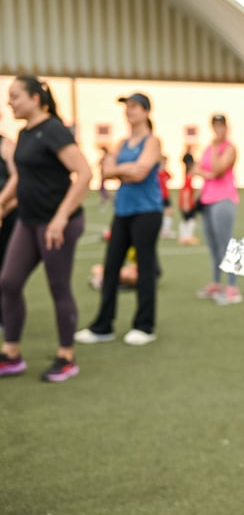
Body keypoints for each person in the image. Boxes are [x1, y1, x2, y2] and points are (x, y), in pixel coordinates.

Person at [0, 76, 91, 381]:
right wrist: (3, 203)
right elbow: (21, 179)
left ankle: (67, 356)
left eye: (15, 96)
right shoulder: (24, 133)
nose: (10, 102)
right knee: (9, 282)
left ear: (36, 99)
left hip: (57, 225)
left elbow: (83, 173)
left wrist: (61, 217)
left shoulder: (53, 130)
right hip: (29, 220)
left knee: (58, 287)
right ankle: (11, 353)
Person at [75, 92, 163, 347]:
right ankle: (103, 325)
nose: (129, 111)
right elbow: (106, 170)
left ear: (146, 111)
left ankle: (144, 326)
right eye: (127, 107)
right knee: (111, 266)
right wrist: (124, 169)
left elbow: (141, 172)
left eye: (134, 107)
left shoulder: (152, 141)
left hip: (147, 211)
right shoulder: (122, 142)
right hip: (123, 211)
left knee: (145, 268)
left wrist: (118, 170)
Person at [194, 113, 241, 305]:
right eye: (215, 125)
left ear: (226, 127)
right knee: (213, 246)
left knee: (227, 244)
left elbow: (218, 169)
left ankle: (233, 287)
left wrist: (214, 151)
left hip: (224, 199)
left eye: (221, 126)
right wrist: (208, 173)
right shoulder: (208, 147)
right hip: (207, 200)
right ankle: (216, 282)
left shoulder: (229, 148)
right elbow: (197, 169)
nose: (218, 129)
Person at [0, 117, 20, 332]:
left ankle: (6, 316)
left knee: (6, 269)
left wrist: (2, 203)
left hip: (8, 213)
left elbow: (17, 177)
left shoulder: (6, 145)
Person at [158, 154, 175, 238]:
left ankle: (166, 230)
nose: (164, 164)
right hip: (158, 197)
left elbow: (170, 177)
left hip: (165, 196)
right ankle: (161, 230)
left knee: (169, 212)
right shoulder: (156, 174)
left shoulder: (165, 173)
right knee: (159, 214)